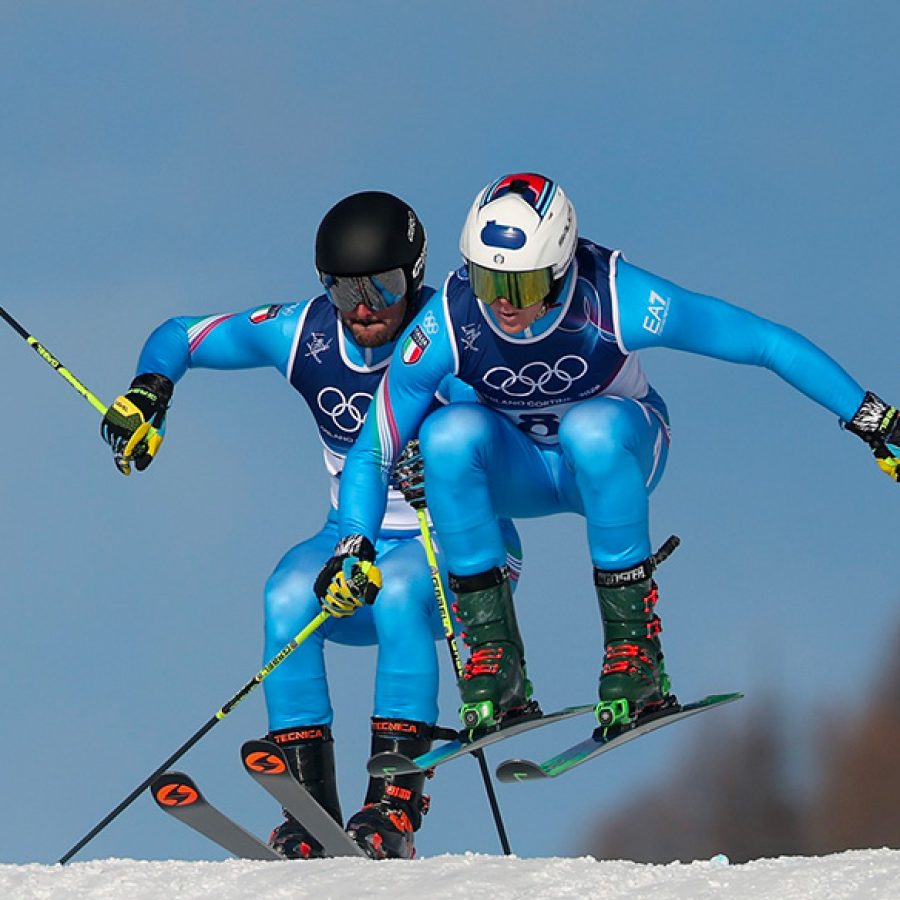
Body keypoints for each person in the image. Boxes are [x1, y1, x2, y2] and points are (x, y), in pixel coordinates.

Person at [317, 171, 899, 734]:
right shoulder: (450, 319)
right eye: (488, 282)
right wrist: (353, 543)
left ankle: (634, 655)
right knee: (446, 435)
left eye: (520, 286)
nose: (501, 304)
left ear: (562, 265)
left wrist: (869, 417)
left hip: (619, 452)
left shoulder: (618, 296)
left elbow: (763, 342)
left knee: (590, 428)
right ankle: (496, 661)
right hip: (525, 469)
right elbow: (375, 445)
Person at [99, 190, 521, 860]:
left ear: (413, 274)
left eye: (381, 287)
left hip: (463, 551)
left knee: (406, 592)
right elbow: (180, 335)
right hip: (350, 541)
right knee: (287, 596)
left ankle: (395, 804)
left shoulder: (460, 330)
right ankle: (311, 813)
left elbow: (523, 436)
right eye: (343, 288)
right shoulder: (306, 332)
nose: (362, 308)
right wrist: (153, 391)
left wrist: (458, 463)